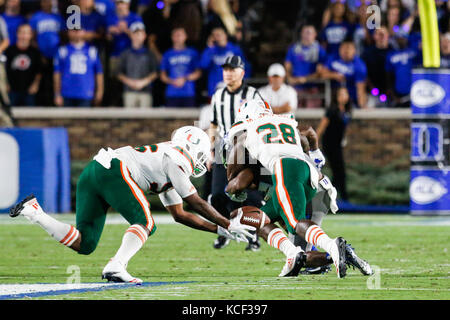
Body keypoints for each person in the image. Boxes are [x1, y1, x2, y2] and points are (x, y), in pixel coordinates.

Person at [9, 125, 254, 284]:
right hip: (114, 171)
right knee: (146, 221)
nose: (208, 158)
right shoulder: (177, 160)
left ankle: (34, 212)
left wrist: (217, 229)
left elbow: (180, 214)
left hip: (94, 172)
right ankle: (116, 265)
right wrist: (227, 222)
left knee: (85, 243)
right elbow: (196, 202)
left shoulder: (167, 162)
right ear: (196, 149)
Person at [223, 119, 372, 277]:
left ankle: (331, 245)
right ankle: (342, 254)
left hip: (295, 178)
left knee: (292, 224)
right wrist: (313, 153)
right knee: (291, 247)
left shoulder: (251, 152)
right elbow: (308, 134)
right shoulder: (272, 138)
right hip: (315, 184)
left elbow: (235, 184)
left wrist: (229, 189)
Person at [208, 55, 264, 251]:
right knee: (216, 196)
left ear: (242, 72)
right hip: (223, 151)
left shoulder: (253, 94)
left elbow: (263, 121)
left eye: (232, 69)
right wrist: (210, 150)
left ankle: (253, 235)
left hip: (246, 153)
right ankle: (225, 231)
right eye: (225, 70)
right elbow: (214, 125)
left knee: (248, 196)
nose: (228, 73)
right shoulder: (218, 96)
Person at [316, 87, 352, 201]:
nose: (343, 97)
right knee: (338, 171)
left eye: (345, 94)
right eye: (341, 94)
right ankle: (338, 197)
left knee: (339, 172)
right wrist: (314, 143)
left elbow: (344, 127)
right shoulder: (332, 110)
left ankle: (332, 197)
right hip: (329, 144)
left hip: (337, 144)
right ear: (336, 97)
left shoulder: (347, 110)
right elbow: (322, 127)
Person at [53, 28, 104, 107]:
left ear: (84, 31)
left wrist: (100, 91)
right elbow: (57, 74)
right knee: (66, 118)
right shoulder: (63, 50)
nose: (76, 33)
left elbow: (99, 72)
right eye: (73, 30)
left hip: (85, 92)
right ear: (69, 33)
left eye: (78, 30)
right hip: (67, 92)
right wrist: (57, 93)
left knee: (83, 118)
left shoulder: (92, 51)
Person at [29, 0, 63, 106]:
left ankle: (54, 103)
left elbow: (63, 36)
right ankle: (40, 104)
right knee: (41, 80)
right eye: (45, 2)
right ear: (41, 3)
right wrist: (39, 53)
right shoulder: (36, 17)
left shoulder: (58, 17)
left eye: (49, 2)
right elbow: (32, 37)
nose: (47, 4)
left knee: (55, 79)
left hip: (56, 54)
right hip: (41, 54)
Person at [117, 21, 158, 108]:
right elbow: (118, 72)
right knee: (129, 119)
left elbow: (156, 72)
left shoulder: (149, 54)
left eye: (140, 34)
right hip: (129, 92)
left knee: (145, 119)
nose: (137, 36)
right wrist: (130, 82)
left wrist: (143, 82)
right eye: (135, 34)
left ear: (144, 36)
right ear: (131, 35)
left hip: (146, 92)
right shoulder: (125, 54)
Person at [285, 24, 327, 109]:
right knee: (293, 112)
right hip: (295, 87)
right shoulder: (293, 48)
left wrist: (305, 79)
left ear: (315, 35)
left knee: (312, 115)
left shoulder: (320, 50)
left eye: (310, 33)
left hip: (312, 88)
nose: (307, 35)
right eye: (305, 32)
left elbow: (321, 71)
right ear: (301, 34)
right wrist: (289, 77)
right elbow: (287, 66)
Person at [200, 26, 248, 98]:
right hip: (214, 87)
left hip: (232, 85)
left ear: (225, 35)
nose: (217, 37)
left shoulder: (234, 49)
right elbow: (203, 65)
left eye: (219, 34)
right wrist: (210, 48)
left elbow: (244, 67)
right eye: (214, 36)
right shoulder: (210, 50)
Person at [319, 41, 368, 109]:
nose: (346, 51)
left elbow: (360, 88)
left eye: (349, 49)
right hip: (333, 95)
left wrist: (362, 106)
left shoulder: (359, 65)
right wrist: (334, 75)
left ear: (354, 51)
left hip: (351, 98)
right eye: (344, 48)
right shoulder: (333, 58)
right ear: (339, 49)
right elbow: (322, 74)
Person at [160, 27, 201, 107]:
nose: (178, 38)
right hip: (172, 93)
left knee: (188, 118)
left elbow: (198, 73)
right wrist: (172, 81)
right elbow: (162, 75)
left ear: (185, 37)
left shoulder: (192, 53)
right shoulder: (167, 54)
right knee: (171, 118)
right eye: (176, 35)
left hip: (188, 92)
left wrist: (184, 79)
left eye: (180, 35)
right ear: (172, 37)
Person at [5, 24, 43, 106]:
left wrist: (35, 85)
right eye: (22, 33)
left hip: (29, 91)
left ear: (31, 35)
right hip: (12, 90)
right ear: (17, 34)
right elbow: (4, 69)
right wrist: (6, 83)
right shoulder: (9, 51)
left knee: (30, 116)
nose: (24, 36)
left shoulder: (35, 52)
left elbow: (39, 71)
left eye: (26, 33)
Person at [385, 33, 420, 108]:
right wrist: (393, 95)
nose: (401, 40)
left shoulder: (414, 51)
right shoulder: (391, 55)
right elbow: (389, 76)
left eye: (403, 38)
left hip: (415, 92)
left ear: (407, 39)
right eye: (398, 38)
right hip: (398, 93)